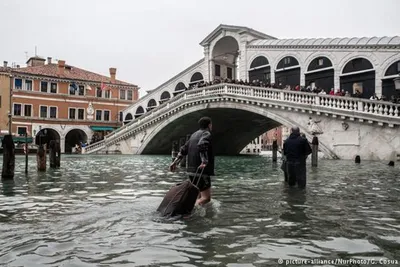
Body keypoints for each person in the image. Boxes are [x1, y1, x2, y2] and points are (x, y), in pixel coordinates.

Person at [169, 117, 215, 206]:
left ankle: (193, 213)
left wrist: (175, 162)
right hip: (201, 170)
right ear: (209, 125)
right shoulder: (206, 133)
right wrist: (204, 161)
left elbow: (183, 149)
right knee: (206, 198)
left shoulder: (194, 135)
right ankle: (189, 209)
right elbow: (202, 144)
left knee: (197, 195)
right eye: (211, 125)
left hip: (190, 171)